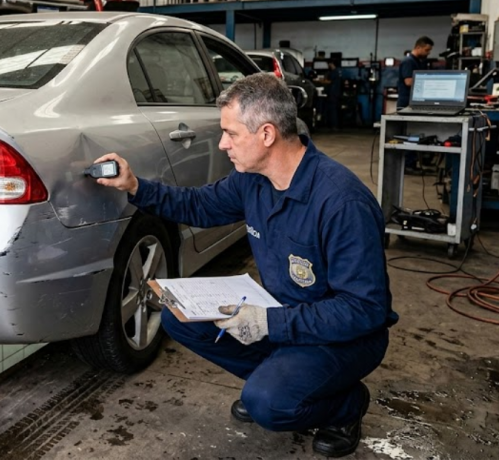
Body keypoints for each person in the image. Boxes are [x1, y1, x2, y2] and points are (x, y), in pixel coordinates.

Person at [94, 73, 398, 458]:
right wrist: (135, 186)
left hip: (342, 336)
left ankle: (345, 404)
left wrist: (270, 324)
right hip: (282, 314)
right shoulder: (253, 181)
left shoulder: (341, 203)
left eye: (231, 133)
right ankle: (275, 378)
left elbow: (364, 309)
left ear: (267, 134)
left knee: (270, 405)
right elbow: (197, 206)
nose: (223, 144)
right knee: (178, 316)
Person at [397, 36, 434, 109]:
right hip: (406, 103)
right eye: (426, 50)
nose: (428, 53)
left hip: (414, 102)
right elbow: (409, 82)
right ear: (418, 47)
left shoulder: (418, 62)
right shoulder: (408, 61)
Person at [323, 59, 343, 130]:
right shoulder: (338, 71)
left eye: (329, 64)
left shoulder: (333, 72)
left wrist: (321, 81)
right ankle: (336, 125)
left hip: (333, 93)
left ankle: (334, 125)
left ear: (331, 64)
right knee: (336, 109)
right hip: (337, 93)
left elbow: (329, 82)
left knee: (332, 110)